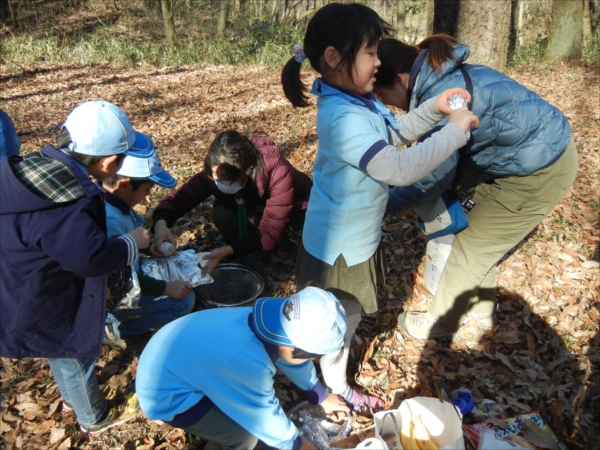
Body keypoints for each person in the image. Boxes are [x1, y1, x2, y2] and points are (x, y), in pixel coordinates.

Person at [280, 3, 479, 412]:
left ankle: (315, 372)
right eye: (370, 52)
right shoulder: (341, 117)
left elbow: (396, 132)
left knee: (338, 319)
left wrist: (434, 109)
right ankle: (328, 384)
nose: (379, 61)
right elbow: (398, 167)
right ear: (334, 58)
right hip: (340, 249)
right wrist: (454, 133)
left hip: (353, 239)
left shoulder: (359, 102)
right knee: (338, 324)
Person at [373, 35, 578, 340]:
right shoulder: (443, 74)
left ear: (402, 80)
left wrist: (383, 204)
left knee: (469, 248)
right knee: (477, 234)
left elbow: (433, 178)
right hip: (523, 157)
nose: (390, 105)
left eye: (385, 96)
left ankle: (442, 324)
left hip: (538, 171)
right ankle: (480, 312)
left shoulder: (445, 96)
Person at [0, 100, 154, 436]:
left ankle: (72, 398)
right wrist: (131, 243)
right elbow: (89, 257)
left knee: (58, 355)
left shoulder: (31, 170)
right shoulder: (67, 203)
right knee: (72, 355)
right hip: (45, 297)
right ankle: (93, 416)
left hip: (21, 283)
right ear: (111, 162)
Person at [136, 286, 350, 450]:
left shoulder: (273, 322)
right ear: (291, 345)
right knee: (245, 437)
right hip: (168, 395)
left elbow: (293, 357)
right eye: (311, 356)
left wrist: (319, 395)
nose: (308, 361)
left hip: (172, 359)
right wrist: (296, 444)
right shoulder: (248, 364)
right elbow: (261, 415)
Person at [151, 130, 313, 273]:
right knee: (222, 214)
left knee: (300, 223)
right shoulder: (219, 167)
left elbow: (270, 230)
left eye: (226, 180)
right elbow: (181, 197)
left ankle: (261, 245)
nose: (218, 182)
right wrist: (161, 225)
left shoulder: (278, 172)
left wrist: (230, 251)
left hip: (297, 207)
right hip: (254, 206)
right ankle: (248, 247)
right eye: (214, 177)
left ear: (248, 169)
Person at [101, 148, 195, 348]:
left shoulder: (115, 202)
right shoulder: (110, 220)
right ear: (125, 185)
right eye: (147, 189)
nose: (147, 197)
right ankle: (117, 328)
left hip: (129, 274)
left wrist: (148, 247)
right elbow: (119, 279)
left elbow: (127, 249)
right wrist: (165, 288)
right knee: (184, 302)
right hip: (114, 293)